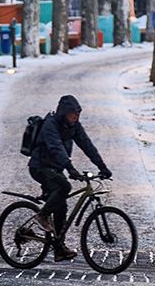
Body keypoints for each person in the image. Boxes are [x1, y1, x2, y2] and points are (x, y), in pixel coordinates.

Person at [26, 94, 111, 260]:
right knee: (64, 186)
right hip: (40, 167)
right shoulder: (50, 124)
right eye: (73, 114)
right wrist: (70, 168)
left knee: (61, 206)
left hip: (55, 169)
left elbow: (87, 145)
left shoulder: (74, 126)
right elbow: (56, 147)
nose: (76, 117)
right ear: (64, 112)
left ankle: (59, 248)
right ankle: (42, 215)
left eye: (78, 114)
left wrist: (103, 167)